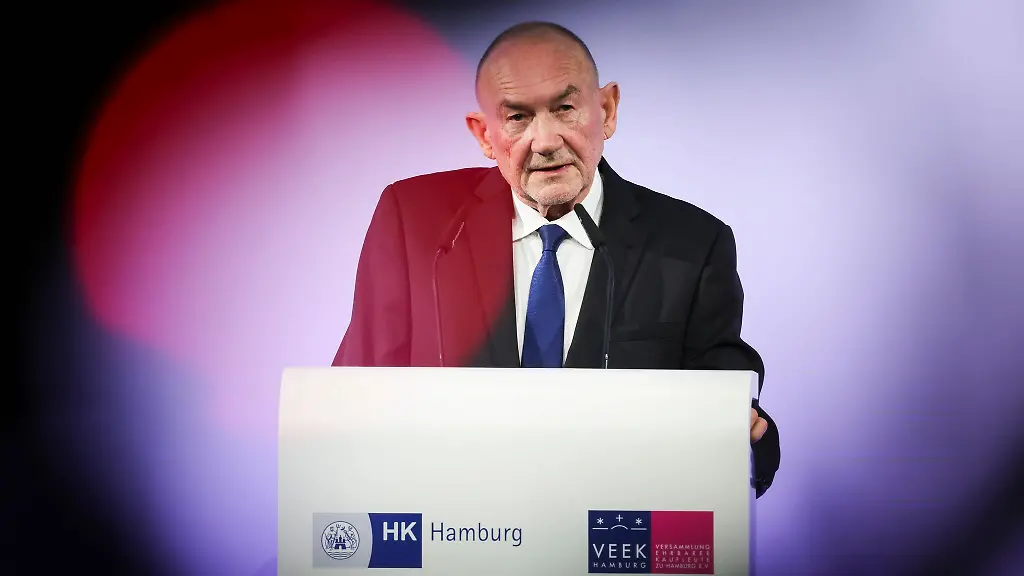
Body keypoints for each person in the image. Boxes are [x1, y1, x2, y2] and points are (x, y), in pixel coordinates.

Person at [333, 21, 780, 497]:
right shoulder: (416, 220)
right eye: (517, 117)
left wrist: (748, 437)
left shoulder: (691, 243)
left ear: (606, 110)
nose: (545, 141)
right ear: (484, 135)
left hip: (610, 526)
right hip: (453, 521)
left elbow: (724, 403)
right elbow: (353, 401)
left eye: (565, 109)